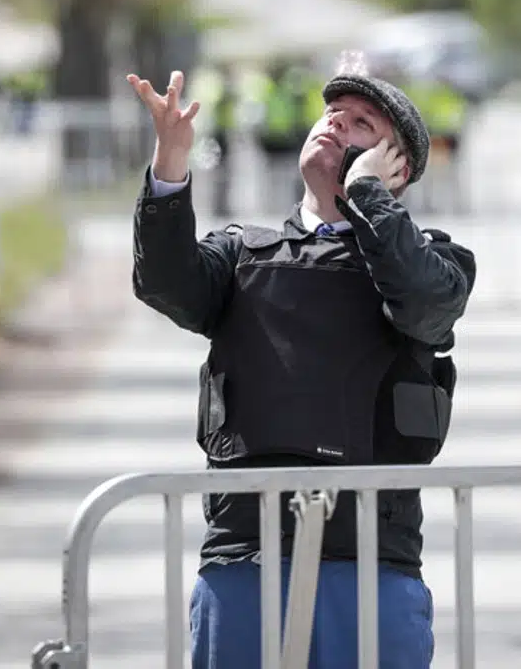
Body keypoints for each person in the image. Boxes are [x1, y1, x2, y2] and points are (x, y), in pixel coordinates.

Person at [125, 67, 478, 669]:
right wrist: (170, 165)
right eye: (332, 113)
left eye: (361, 123)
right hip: (244, 558)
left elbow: (423, 304)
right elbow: (165, 281)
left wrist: (366, 197)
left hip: (370, 563)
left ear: (398, 166)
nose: (336, 121)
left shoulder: (434, 260)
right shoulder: (243, 252)